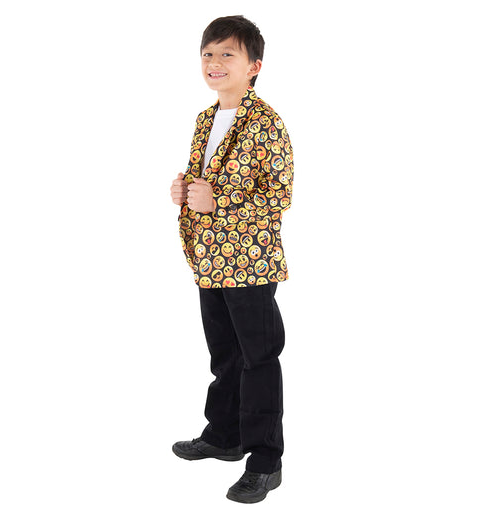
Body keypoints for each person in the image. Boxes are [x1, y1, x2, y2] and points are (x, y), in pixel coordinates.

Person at [170, 15, 294, 504]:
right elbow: (206, 182)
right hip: (209, 259)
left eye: (227, 54)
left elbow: (279, 195)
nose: (214, 62)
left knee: (258, 358)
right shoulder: (205, 119)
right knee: (224, 355)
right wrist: (185, 191)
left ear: (254, 66)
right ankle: (224, 436)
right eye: (208, 53)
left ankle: (265, 461)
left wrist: (218, 201)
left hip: (251, 261)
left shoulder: (266, 123)